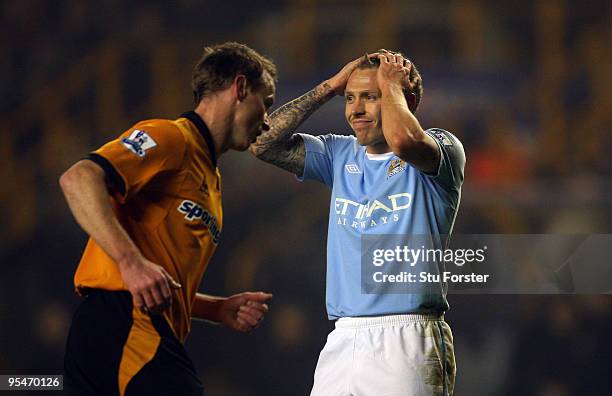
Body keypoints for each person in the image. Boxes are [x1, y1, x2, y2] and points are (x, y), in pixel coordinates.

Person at [60, 42, 276, 395]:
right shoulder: (171, 137)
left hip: (141, 330)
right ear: (240, 87)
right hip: (121, 325)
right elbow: (78, 178)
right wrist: (130, 263)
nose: (267, 122)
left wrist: (215, 308)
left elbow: (157, 278)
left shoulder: (210, 177)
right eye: (265, 102)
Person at [250, 50, 465, 395]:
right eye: (350, 98)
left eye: (370, 96)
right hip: (344, 337)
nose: (355, 110)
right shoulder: (340, 154)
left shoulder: (442, 150)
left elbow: (404, 140)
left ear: (404, 98)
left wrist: (392, 84)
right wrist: (329, 87)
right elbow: (262, 143)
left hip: (407, 338)